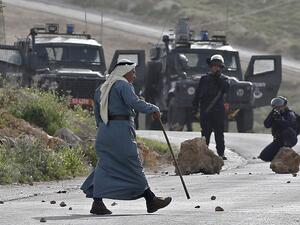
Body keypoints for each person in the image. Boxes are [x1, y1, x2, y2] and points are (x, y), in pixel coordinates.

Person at [81, 59, 172, 215]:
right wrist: (153, 108)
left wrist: (104, 128)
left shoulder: (102, 88)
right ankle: (150, 199)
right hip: (121, 131)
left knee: (105, 165)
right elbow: (134, 102)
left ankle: (97, 203)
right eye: (133, 72)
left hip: (104, 132)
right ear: (125, 72)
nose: (134, 76)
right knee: (132, 164)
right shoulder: (123, 85)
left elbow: (97, 114)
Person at [192, 54, 230, 160]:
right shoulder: (204, 79)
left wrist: (218, 78)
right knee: (205, 134)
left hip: (218, 111)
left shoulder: (225, 80)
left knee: (219, 134)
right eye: (214, 66)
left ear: (221, 68)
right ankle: (203, 153)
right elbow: (198, 94)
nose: (216, 68)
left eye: (218, 66)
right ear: (211, 66)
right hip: (206, 110)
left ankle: (221, 154)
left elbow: (226, 89)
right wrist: (194, 108)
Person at [259, 96, 298, 162]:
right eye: (275, 106)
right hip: (277, 140)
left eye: (280, 106)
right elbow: (267, 125)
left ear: (284, 105)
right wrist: (272, 116)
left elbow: (287, 125)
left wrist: (279, 119)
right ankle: (279, 155)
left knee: (286, 131)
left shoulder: (290, 113)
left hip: (289, 140)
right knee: (264, 156)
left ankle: (288, 152)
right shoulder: (274, 113)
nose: (278, 108)